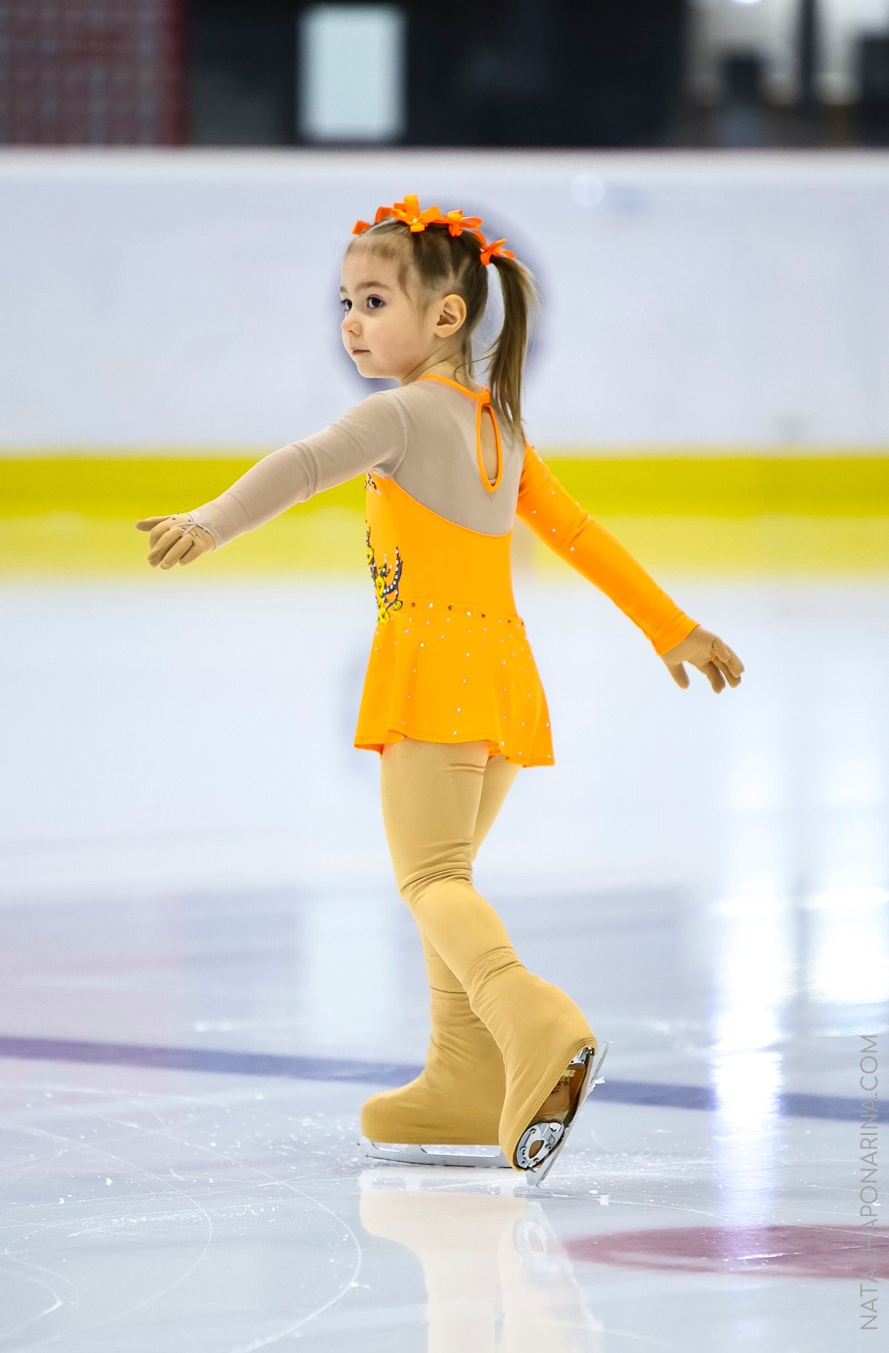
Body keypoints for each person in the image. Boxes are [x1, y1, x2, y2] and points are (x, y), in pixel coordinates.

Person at [135, 193, 745, 1182]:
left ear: (446, 317)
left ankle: (532, 1018)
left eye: (373, 301)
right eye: (344, 300)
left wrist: (212, 520)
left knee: (429, 881)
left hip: (434, 668)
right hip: (500, 673)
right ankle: (461, 1078)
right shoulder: (489, 417)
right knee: (446, 876)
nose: (350, 323)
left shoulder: (403, 413)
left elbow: (301, 466)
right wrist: (669, 627)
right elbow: (578, 535)